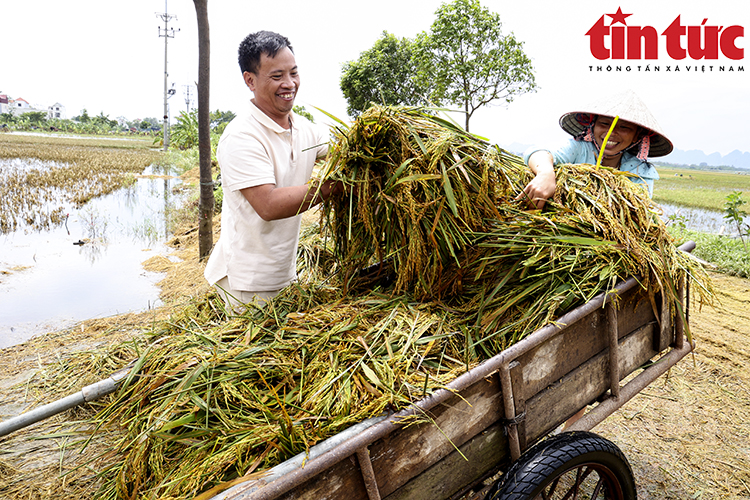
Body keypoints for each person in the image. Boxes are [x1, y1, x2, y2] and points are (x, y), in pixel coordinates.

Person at [203, 30, 342, 310]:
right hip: (246, 284)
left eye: (293, 73)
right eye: (277, 76)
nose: (289, 84)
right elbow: (268, 205)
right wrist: (333, 187)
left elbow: (345, 150)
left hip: (283, 275)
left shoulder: (304, 128)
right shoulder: (241, 136)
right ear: (250, 80)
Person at [519, 89, 673, 209]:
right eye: (604, 124)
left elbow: (638, 208)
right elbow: (538, 152)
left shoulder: (639, 171)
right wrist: (546, 174)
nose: (611, 133)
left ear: (636, 136)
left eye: (624, 127)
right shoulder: (579, 149)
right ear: (592, 126)